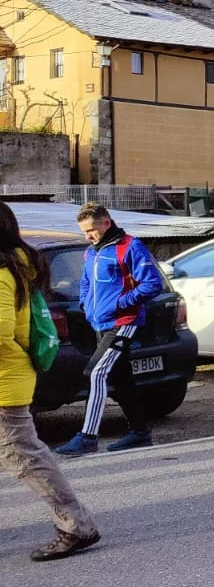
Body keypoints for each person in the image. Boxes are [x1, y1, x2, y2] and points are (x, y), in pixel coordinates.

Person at [0, 201, 100, 560]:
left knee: (25, 457)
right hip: (11, 377)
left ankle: (76, 524)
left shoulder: (2, 272)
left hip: (4, 384)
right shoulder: (16, 265)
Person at [54, 203, 164, 455]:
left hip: (122, 324)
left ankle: (88, 437)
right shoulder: (91, 251)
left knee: (95, 372)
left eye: (92, 230)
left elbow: (152, 284)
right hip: (99, 323)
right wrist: (84, 301)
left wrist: (120, 304)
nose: (89, 236)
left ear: (107, 222)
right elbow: (85, 281)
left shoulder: (130, 246)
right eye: (85, 232)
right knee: (121, 379)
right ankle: (140, 433)